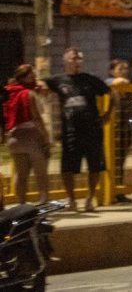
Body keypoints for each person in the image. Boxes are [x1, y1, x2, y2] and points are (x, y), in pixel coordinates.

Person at [42, 47, 110, 212]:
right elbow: (40, 84)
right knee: (68, 167)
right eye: (73, 58)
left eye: (79, 58)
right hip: (71, 131)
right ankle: (71, 199)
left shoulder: (89, 79)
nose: (76, 61)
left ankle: (89, 198)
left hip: (92, 130)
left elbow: (111, 92)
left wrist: (107, 113)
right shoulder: (58, 80)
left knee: (95, 165)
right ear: (65, 61)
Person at [4, 64, 51, 204]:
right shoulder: (28, 94)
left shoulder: (8, 92)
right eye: (32, 75)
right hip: (31, 137)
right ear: (27, 77)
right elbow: (36, 117)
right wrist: (45, 138)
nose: (35, 78)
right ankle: (43, 204)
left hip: (13, 138)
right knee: (41, 174)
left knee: (21, 175)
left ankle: (21, 206)